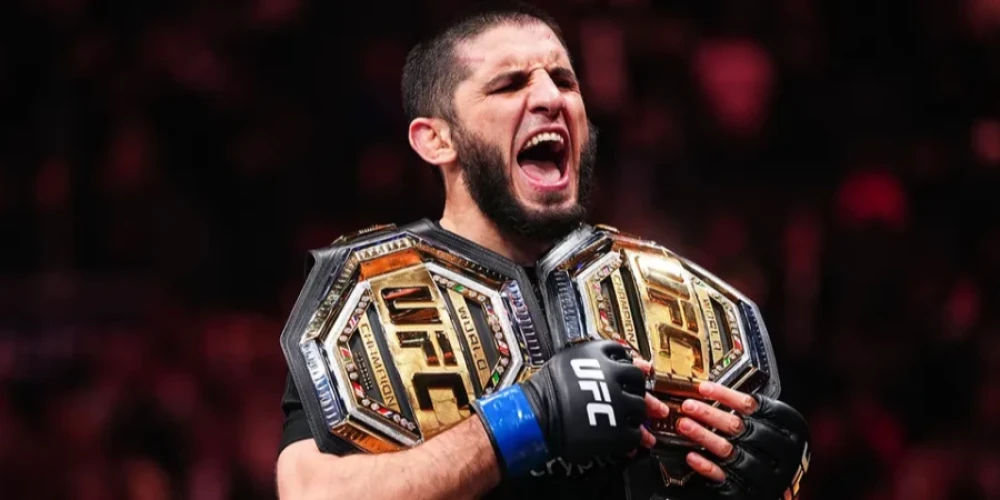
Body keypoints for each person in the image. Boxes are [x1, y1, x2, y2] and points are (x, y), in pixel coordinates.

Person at [275, 2, 809, 499]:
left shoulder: (674, 297)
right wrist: (526, 418)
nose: (552, 98)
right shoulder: (368, 302)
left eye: (564, 80)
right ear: (436, 139)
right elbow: (310, 493)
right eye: (509, 84)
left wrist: (776, 486)